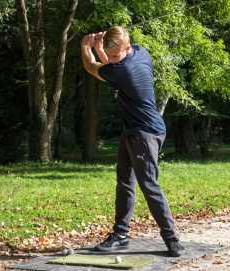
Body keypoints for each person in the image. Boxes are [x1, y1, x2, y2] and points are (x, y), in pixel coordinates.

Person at [81, 26, 184, 257]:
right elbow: (111, 61)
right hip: (132, 130)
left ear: (126, 48)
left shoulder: (122, 71)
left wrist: (86, 46)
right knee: (125, 183)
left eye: (116, 55)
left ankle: (171, 238)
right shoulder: (140, 52)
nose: (113, 59)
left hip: (145, 133)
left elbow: (91, 66)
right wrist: (100, 46)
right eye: (111, 54)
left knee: (149, 185)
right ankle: (120, 235)